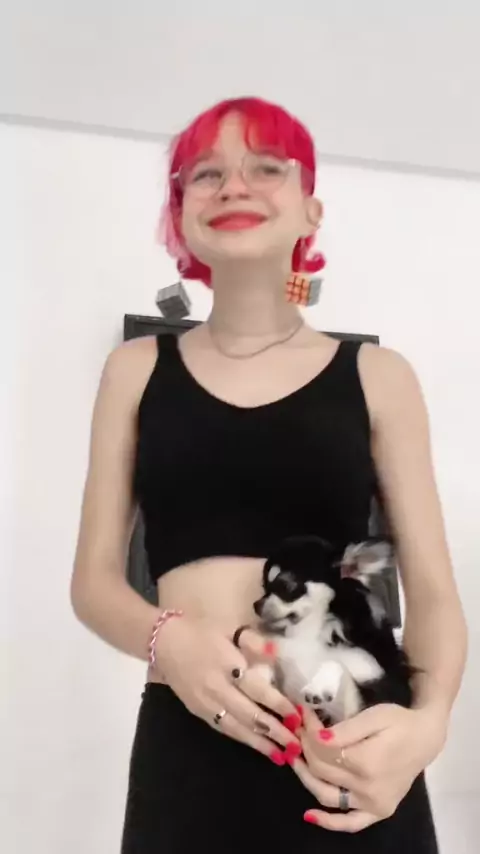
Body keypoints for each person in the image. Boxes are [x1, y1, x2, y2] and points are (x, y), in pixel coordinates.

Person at [71, 96, 467, 853]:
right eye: (205, 173)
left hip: (348, 745)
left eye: (265, 167)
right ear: (181, 212)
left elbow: (436, 596)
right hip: (189, 745)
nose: (233, 185)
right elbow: (92, 583)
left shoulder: (379, 376)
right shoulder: (135, 370)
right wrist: (166, 639)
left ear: (311, 209)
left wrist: (428, 725)